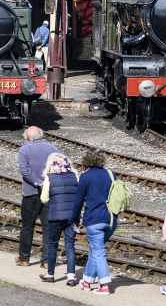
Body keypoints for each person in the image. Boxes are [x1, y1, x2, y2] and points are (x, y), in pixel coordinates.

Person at [69, 148, 116, 296]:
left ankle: (104, 285)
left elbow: (78, 202)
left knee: (98, 252)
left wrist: (73, 219)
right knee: (96, 250)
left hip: (94, 220)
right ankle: (87, 281)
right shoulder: (111, 174)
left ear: (86, 160)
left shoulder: (86, 177)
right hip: (110, 220)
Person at [16, 126, 57, 268]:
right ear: (41, 135)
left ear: (27, 137)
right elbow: (56, 169)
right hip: (50, 192)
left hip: (31, 193)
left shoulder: (24, 150)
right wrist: (46, 183)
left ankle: (24, 258)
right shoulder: (53, 149)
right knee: (48, 227)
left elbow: (25, 171)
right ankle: (46, 261)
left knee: (27, 226)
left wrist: (38, 183)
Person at [39, 153, 79, 285]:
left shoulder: (49, 178)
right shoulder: (75, 176)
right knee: (70, 245)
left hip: (55, 216)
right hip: (72, 217)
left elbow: (44, 199)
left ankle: (50, 274)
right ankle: (71, 277)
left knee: (52, 245)